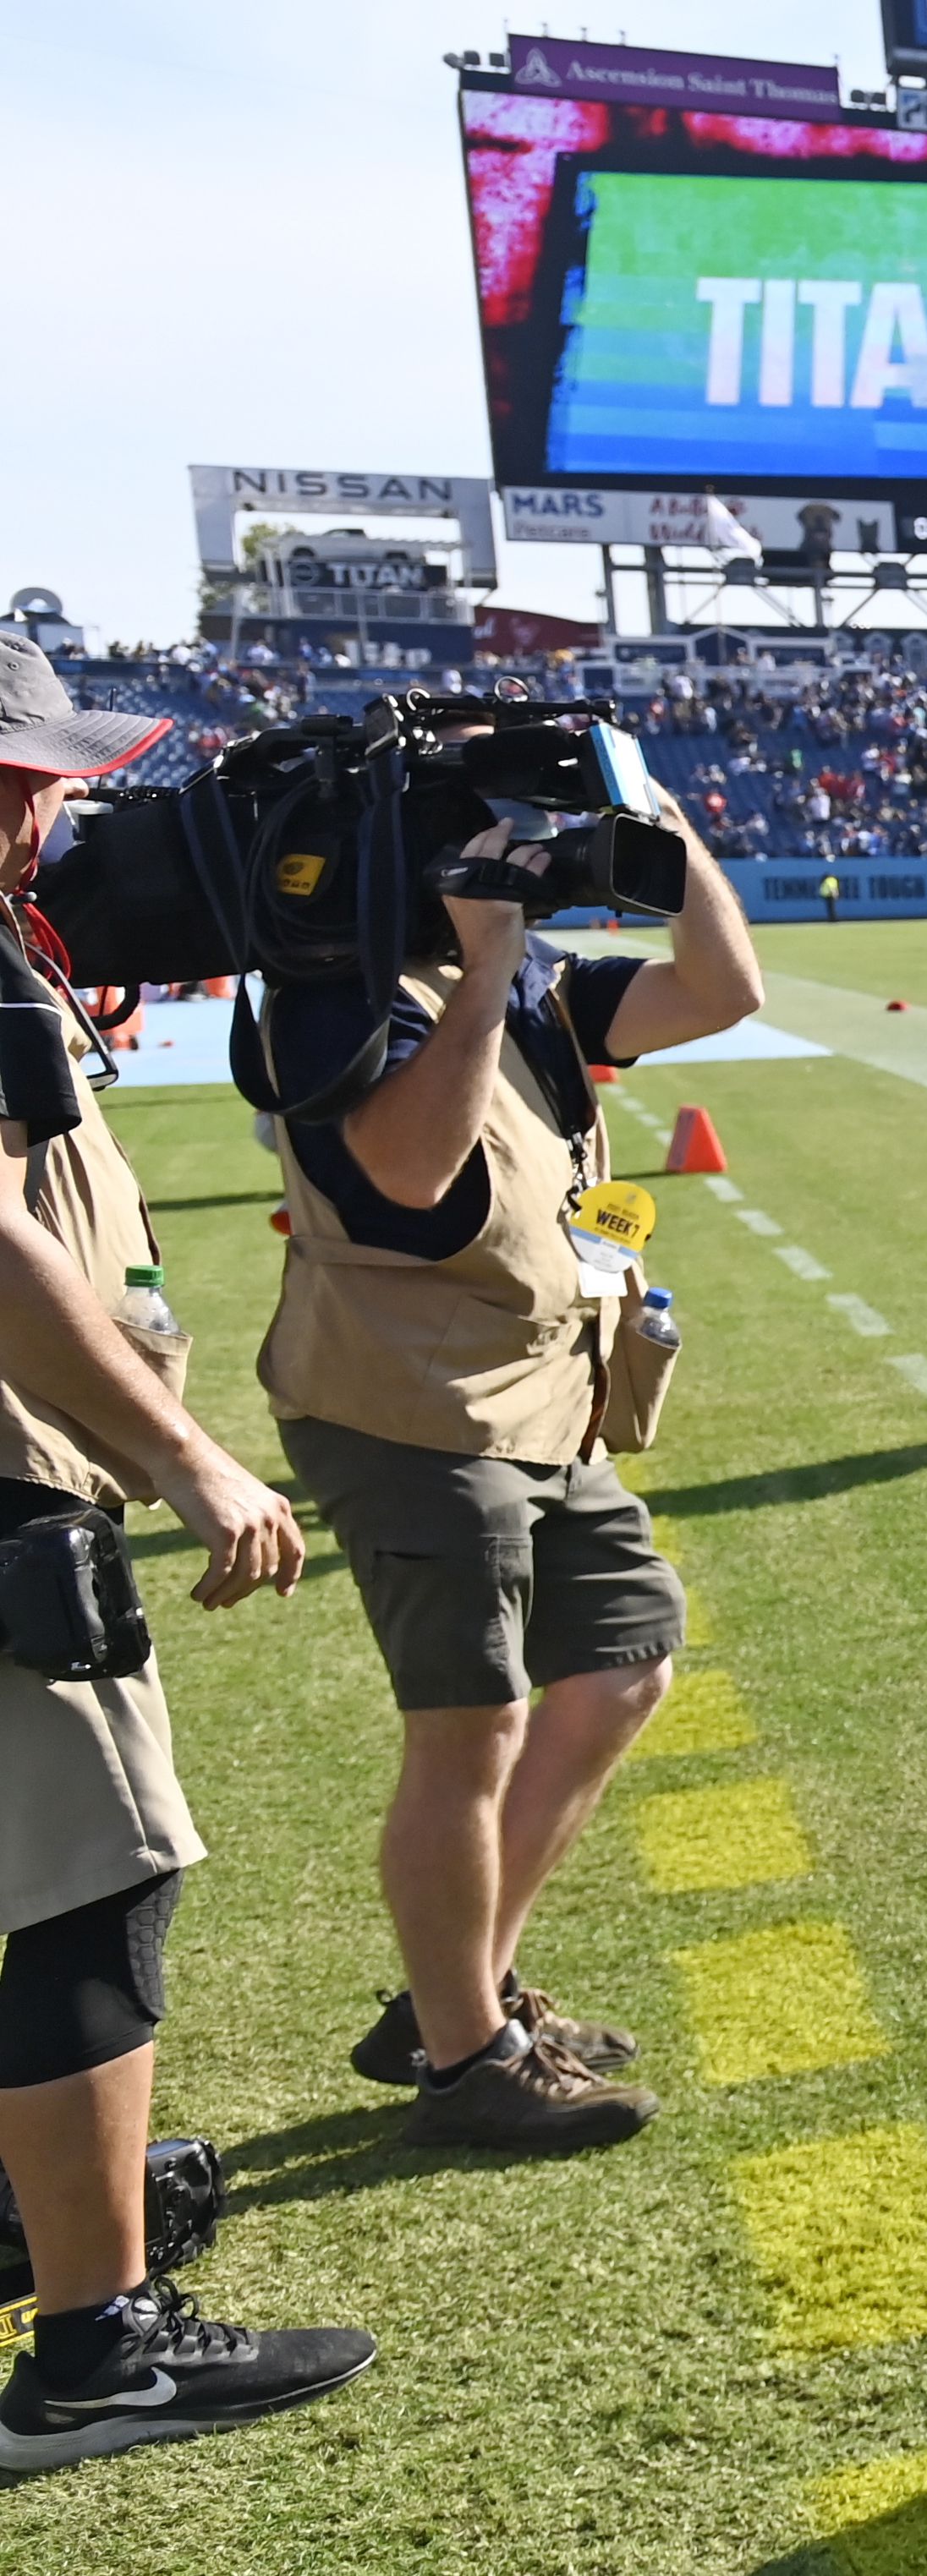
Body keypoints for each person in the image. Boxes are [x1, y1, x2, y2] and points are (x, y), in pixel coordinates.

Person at [261, 762, 762, 2149]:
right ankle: (464, 2054)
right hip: (407, 1402)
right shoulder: (335, 987)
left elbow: (721, 992)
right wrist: (482, 965)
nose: (533, 857)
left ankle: (454, 1991)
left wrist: (663, 822)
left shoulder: (530, 976)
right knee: (469, 1725)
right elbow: (413, 1175)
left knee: (619, 1665)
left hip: (540, 1392)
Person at [0, 647, 377, 2470]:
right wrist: (180, 1451)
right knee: (95, 1886)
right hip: (14, 1492)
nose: (53, 807)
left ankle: (38, 2206)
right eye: (27, 774)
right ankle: (99, 2341)